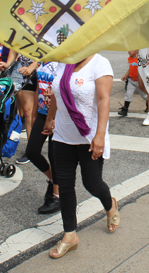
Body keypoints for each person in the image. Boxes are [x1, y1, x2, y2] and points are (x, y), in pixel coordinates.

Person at [43, 55, 119, 259]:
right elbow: (58, 96)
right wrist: (50, 119)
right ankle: (70, 235)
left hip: (89, 137)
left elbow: (103, 100)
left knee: (92, 184)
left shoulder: (100, 63)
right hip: (62, 136)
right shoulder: (63, 62)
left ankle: (109, 205)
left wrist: (100, 135)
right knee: (65, 186)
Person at [26, 60, 60, 214]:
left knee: (55, 157)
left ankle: (57, 195)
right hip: (41, 113)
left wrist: (52, 119)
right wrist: (34, 113)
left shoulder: (62, 61)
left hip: (58, 115)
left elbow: (62, 90)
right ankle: (53, 180)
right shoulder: (42, 60)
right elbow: (39, 87)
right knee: (32, 151)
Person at [0, 50, 38, 164]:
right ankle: (31, 150)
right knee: (27, 111)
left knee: (49, 111)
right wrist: (7, 64)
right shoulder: (20, 32)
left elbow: (49, 53)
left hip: (45, 72)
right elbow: (14, 49)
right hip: (26, 73)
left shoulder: (43, 32)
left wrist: (32, 67)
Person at [118, 50, 147, 117]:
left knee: (144, 95)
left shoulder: (140, 59)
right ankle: (125, 110)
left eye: (131, 50)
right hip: (131, 80)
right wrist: (125, 75)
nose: (129, 51)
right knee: (128, 94)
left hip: (139, 81)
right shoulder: (130, 58)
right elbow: (130, 68)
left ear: (137, 50)